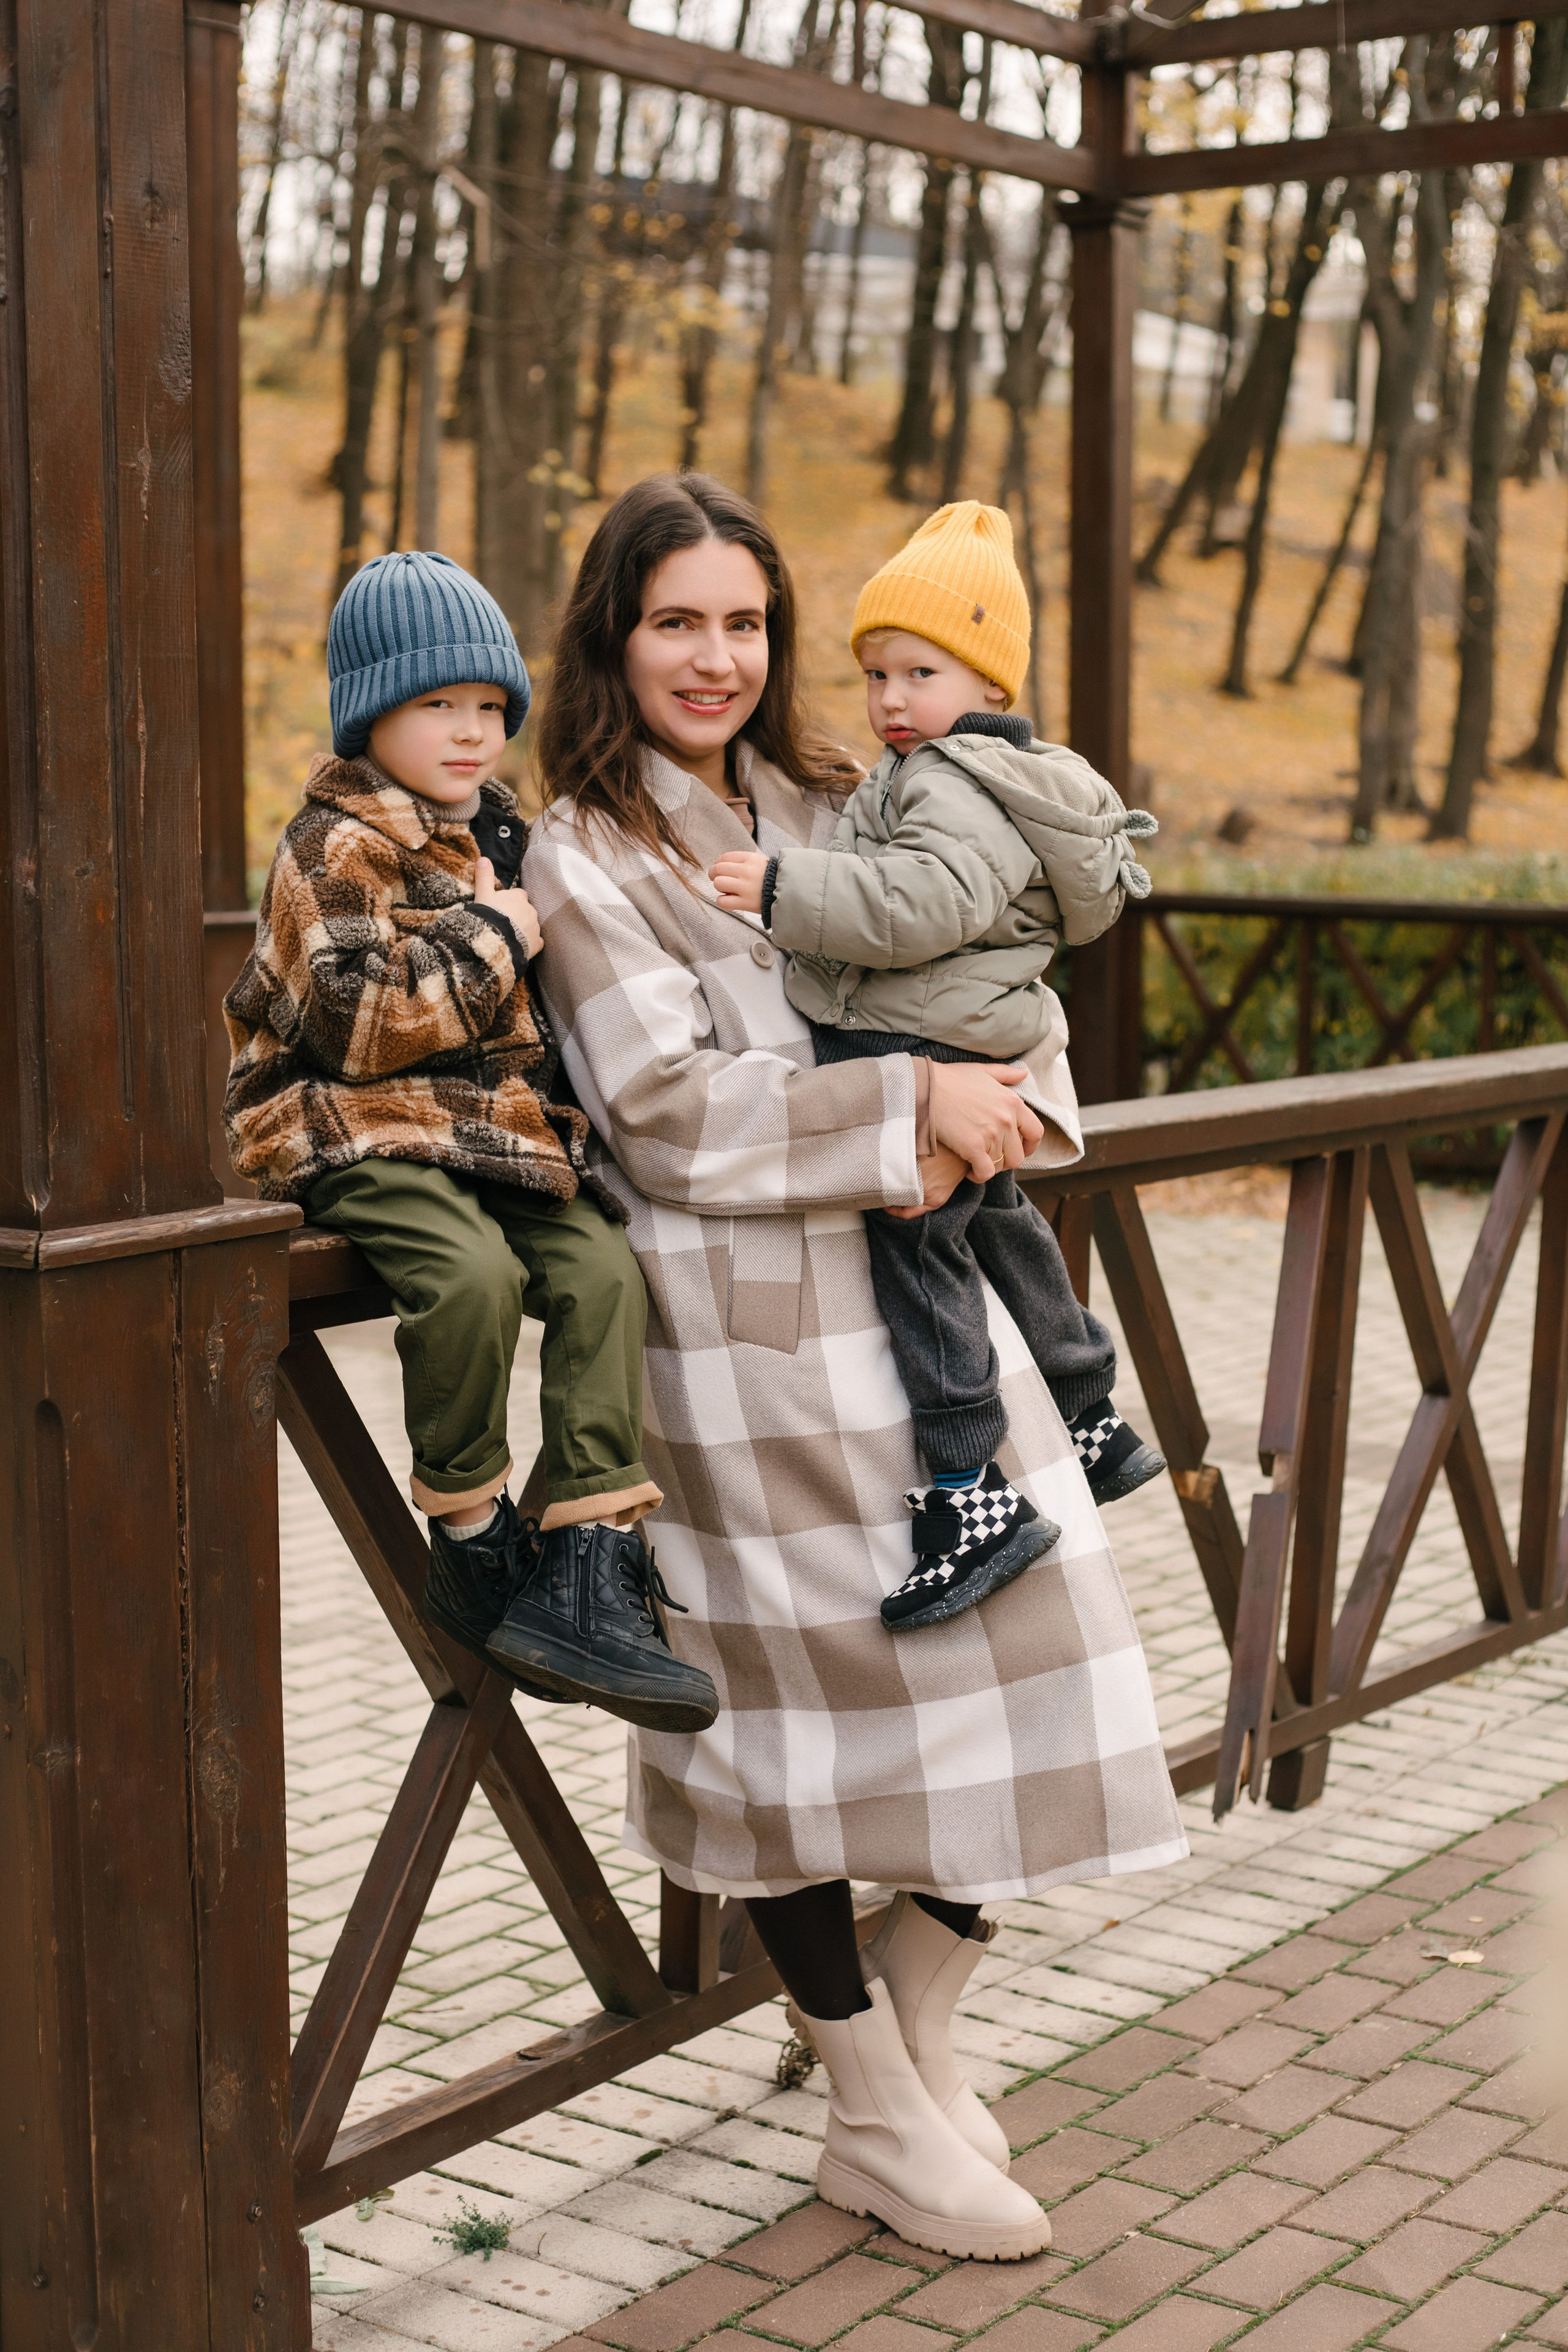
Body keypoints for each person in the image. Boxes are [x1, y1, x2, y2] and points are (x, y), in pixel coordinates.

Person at [514, 475, 1187, 2263]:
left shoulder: (858, 787)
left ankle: (916, 2027)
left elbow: (1015, 980)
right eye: (678, 623)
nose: (716, 657)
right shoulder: (579, 851)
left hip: (928, 1311)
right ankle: (875, 2105)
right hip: (739, 1350)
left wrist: (1011, 1099)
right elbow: (666, 1113)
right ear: (613, 637)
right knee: (787, 1741)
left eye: (744, 621)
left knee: (1045, 1660)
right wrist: (910, 1100)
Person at [222, 549, 717, 1735]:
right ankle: (468, 1531)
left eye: (490, 708)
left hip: (478, 1132)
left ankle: (590, 1558)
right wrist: (498, 933)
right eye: (435, 704)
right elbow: (359, 1030)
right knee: (469, 1278)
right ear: (370, 712)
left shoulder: (496, 832)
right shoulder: (326, 847)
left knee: (603, 1270)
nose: (470, 732)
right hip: (344, 1125)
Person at [710, 502, 1165, 1635]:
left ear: (992, 687)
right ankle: (1088, 1404)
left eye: (920, 671)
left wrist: (781, 890)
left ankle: (968, 1493)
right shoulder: (976, 772)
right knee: (1001, 1222)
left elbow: (926, 906)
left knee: (920, 1255)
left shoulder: (953, 779)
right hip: (961, 1038)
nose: (891, 701)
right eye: (874, 675)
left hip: (917, 1045)